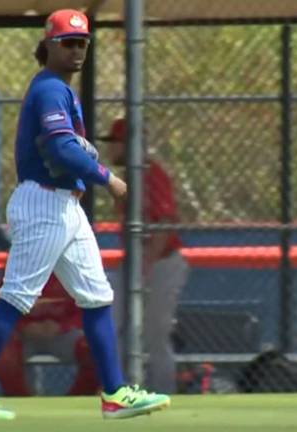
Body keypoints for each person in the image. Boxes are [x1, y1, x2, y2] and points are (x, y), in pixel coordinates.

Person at [0, 9, 170, 420]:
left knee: (97, 296)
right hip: (43, 202)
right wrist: (109, 178)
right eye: (68, 43)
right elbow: (59, 148)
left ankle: (115, 394)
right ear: (48, 46)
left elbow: (67, 148)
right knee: (16, 298)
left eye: (82, 43)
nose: (76, 50)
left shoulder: (61, 90)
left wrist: (88, 165)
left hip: (67, 205)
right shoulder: (50, 88)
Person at [99, 118, 189, 394]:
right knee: (113, 325)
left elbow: (165, 223)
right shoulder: (128, 178)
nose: (111, 149)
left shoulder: (152, 173)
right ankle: (119, 391)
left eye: (114, 143)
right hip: (138, 262)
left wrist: (145, 264)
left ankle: (164, 395)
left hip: (162, 264)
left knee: (154, 337)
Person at [0, 271, 99, 397]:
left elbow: (87, 308)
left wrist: (62, 326)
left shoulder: (72, 268)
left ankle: (75, 400)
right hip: (24, 335)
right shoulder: (17, 265)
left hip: (63, 333)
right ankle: (21, 401)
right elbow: (1, 307)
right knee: (1, 351)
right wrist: (23, 326)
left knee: (95, 350)